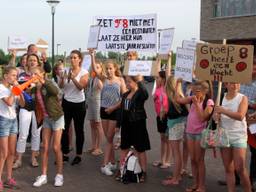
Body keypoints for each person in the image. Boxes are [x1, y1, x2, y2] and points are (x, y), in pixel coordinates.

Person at [177, 80, 214, 192]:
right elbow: (178, 100)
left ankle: (201, 186)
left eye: (197, 91)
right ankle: (195, 184)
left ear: (204, 91)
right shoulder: (192, 98)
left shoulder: (209, 102)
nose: (195, 93)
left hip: (200, 133)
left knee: (199, 160)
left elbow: (203, 117)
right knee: (193, 159)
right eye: (194, 90)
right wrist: (177, 84)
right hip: (189, 132)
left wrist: (197, 104)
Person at [214, 82, 251, 192]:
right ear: (226, 85)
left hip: (239, 136)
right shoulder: (221, 97)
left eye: (237, 83)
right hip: (224, 135)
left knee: (240, 168)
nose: (235, 85)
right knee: (228, 169)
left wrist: (223, 110)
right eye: (232, 83)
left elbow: (240, 116)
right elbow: (215, 115)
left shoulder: (243, 98)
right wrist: (216, 116)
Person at [30, 67, 64, 187]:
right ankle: (43, 176)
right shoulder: (34, 89)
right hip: (46, 119)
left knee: (55, 147)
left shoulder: (48, 83)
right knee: (44, 147)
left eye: (36, 73)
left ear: (42, 74)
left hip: (57, 117)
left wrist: (43, 81)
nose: (34, 75)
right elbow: (28, 103)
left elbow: (56, 92)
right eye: (32, 74)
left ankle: (59, 175)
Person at [119, 75, 150, 182]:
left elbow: (146, 94)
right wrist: (118, 125)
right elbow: (121, 111)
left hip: (138, 124)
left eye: (129, 82)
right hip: (126, 124)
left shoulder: (140, 94)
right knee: (124, 147)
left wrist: (140, 81)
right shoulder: (125, 94)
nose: (127, 84)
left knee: (140, 148)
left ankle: (144, 172)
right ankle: (121, 170)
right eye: (126, 82)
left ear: (135, 82)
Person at [13, 54, 42, 169]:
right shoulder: (21, 76)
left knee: (36, 133)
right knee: (23, 134)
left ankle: (33, 157)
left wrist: (38, 82)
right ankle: (19, 159)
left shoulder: (41, 76)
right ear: (26, 62)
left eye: (34, 60)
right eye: (30, 60)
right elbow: (18, 91)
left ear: (38, 63)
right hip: (25, 107)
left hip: (38, 108)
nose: (32, 62)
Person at [60, 50, 88, 165]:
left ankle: (78, 155)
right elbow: (61, 86)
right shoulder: (66, 70)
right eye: (71, 58)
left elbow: (81, 87)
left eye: (75, 57)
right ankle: (65, 154)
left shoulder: (84, 72)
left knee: (79, 129)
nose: (72, 60)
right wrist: (62, 79)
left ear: (80, 59)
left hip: (79, 104)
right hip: (66, 102)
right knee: (64, 129)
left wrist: (72, 78)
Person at [0, 66, 25, 191]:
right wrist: (14, 90)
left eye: (16, 75)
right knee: (3, 153)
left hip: (13, 120)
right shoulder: (1, 88)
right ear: (5, 76)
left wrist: (20, 93)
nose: (16, 78)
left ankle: (9, 178)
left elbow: (22, 104)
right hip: (3, 120)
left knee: (11, 152)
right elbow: (9, 102)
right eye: (14, 75)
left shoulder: (12, 88)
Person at [100, 60, 126, 176]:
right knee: (108, 139)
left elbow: (125, 98)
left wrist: (113, 108)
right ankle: (112, 162)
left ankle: (104, 165)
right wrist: (92, 55)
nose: (109, 71)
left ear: (115, 68)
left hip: (114, 111)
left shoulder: (120, 80)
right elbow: (95, 71)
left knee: (109, 139)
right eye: (107, 69)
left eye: (110, 68)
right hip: (103, 110)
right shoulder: (104, 80)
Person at [162, 76, 189, 186]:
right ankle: (176, 175)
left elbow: (176, 111)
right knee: (177, 153)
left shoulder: (175, 96)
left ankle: (176, 178)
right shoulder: (177, 95)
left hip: (176, 125)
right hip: (177, 124)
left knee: (176, 153)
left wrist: (165, 112)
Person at [86, 49, 104, 156]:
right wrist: (91, 55)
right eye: (94, 67)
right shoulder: (91, 78)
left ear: (101, 70)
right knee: (92, 124)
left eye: (98, 67)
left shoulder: (100, 79)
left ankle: (99, 147)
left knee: (98, 125)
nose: (95, 69)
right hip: (91, 103)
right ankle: (93, 146)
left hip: (97, 103)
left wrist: (93, 56)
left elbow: (102, 90)